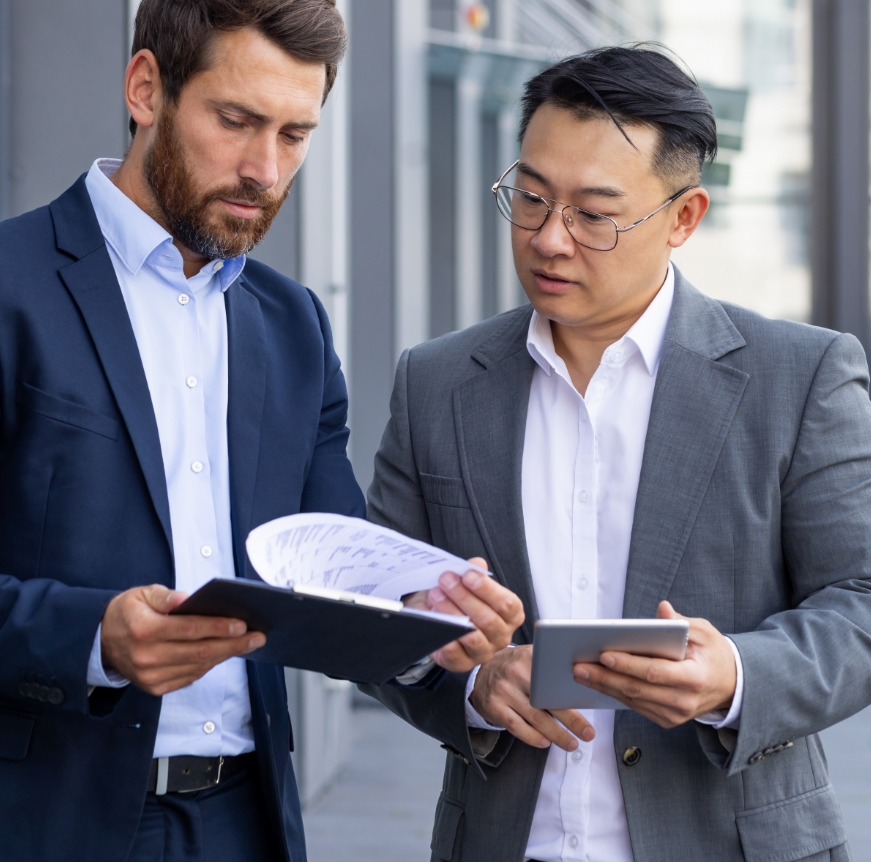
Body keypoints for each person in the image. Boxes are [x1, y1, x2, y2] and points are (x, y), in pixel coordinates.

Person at [0, 0, 521, 862]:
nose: (264, 167)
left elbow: (325, 562)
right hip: (16, 821)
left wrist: (421, 609)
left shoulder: (291, 325)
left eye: (295, 134)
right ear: (147, 87)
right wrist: (94, 636)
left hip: (238, 824)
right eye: (236, 120)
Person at [361, 45, 871, 862]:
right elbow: (372, 610)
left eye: (594, 214)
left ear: (684, 217)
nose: (549, 239)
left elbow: (862, 601)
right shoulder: (438, 382)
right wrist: (474, 690)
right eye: (529, 197)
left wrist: (736, 675)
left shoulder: (799, 376)